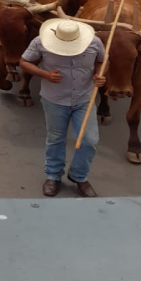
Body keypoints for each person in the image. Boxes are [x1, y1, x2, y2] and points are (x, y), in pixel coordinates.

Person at [20, 17, 106, 198]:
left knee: (89, 140)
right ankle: (53, 176)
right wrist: (45, 74)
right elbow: (24, 62)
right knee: (56, 138)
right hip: (54, 100)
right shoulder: (39, 42)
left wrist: (99, 75)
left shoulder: (95, 42)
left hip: (84, 99)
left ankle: (79, 176)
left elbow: (102, 61)